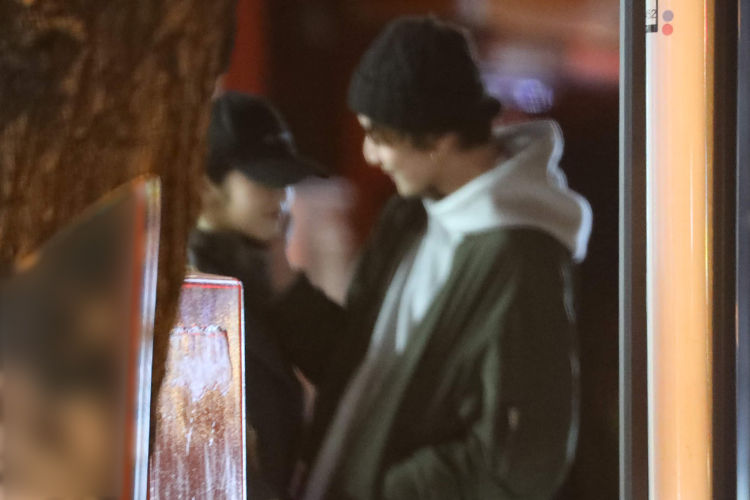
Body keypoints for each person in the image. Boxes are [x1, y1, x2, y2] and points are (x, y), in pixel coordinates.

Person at [268, 15, 593, 500]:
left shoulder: (521, 258)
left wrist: (393, 487)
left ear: (439, 138)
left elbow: (523, 460)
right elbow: (357, 361)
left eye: (381, 136)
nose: (370, 153)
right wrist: (280, 279)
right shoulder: (409, 216)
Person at [188, 91, 324, 500]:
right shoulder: (193, 295)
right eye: (264, 180)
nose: (281, 197)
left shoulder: (251, 272)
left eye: (284, 182)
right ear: (206, 186)